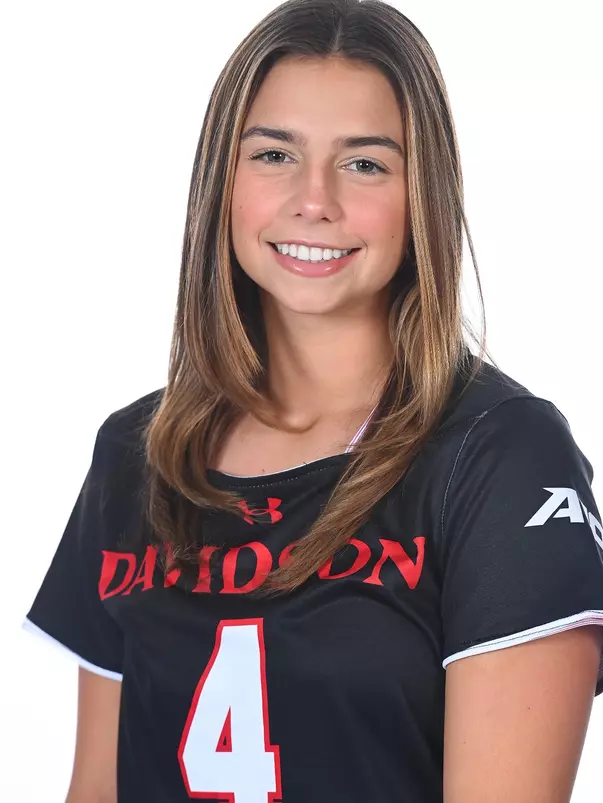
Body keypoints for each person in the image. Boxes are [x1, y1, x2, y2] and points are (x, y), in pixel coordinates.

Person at [22, 1, 603, 801]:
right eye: (272, 155)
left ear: (420, 195)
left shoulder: (498, 455)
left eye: (364, 163)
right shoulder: (138, 453)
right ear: (221, 180)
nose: (314, 199)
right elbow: (97, 786)